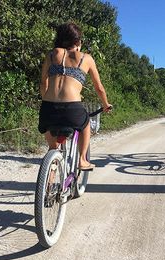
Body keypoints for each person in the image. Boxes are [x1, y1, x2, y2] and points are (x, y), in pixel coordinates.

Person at [38, 22, 111, 170]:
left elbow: (43, 83)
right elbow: (99, 88)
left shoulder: (52, 55)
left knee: (53, 148)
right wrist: (105, 104)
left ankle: (48, 181)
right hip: (72, 108)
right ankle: (83, 160)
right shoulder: (86, 58)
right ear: (77, 41)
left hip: (48, 108)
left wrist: (46, 99)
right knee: (85, 123)